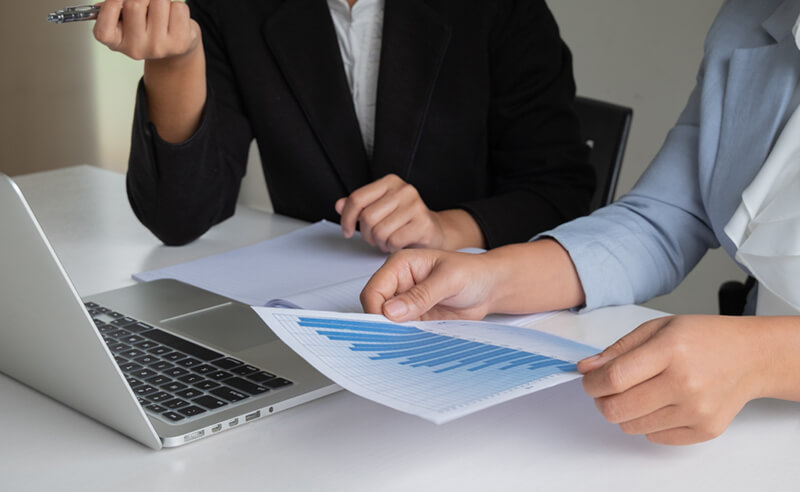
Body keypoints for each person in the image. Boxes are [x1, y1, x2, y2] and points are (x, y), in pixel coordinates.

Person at [360, 0, 800, 446]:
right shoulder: (748, 20)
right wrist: (490, 275)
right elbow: (665, 219)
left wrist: (760, 356)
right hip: (748, 422)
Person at [92, 0, 595, 250]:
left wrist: (446, 229)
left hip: (477, 318)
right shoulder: (232, 9)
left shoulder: (498, 9)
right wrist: (176, 61)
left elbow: (559, 193)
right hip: (306, 319)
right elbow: (179, 218)